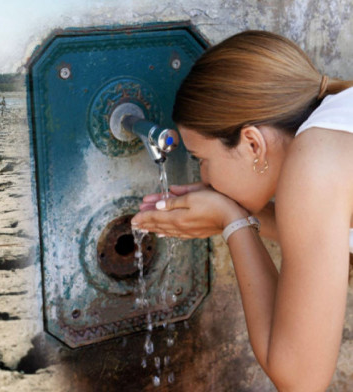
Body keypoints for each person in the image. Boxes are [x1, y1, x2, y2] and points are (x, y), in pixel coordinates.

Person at [131, 30, 353, 391]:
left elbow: (300, 378)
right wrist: (239, 213)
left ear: (253, 144)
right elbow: (324, 238)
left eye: (203, 160)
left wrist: (232, 221)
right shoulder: (337, 124)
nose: (203, 176)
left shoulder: (317, 160)